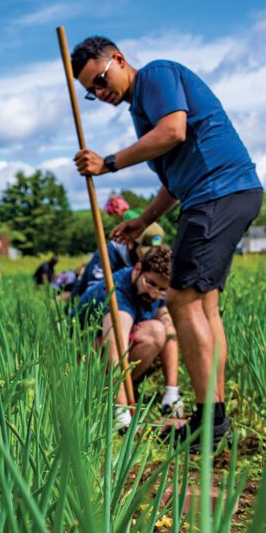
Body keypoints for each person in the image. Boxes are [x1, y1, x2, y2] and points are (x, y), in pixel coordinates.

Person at [71, 36, 262, 448]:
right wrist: (143, 220)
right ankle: (215, 418)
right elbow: (172, 184)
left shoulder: (155, 75)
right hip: (218, 193)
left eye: (101, 80)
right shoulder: (143, 114)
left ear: (119, 60)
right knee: (204, 303)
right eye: (92, 91)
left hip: (217, 191)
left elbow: (174, 132)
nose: (101, 93)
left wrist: (108, 163)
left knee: (181, 301)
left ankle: (210, 421)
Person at [75, 246, 180, 429]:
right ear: (138, 269)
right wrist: (122, 412)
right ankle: (109, 399)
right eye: (151, 284)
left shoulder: (155, 290)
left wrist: (172, 392)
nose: (154, 294)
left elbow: (170, 332)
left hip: (106, 356)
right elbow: (115, 353)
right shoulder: (118, 293)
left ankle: (119, 393)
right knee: (154, 332)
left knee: (162, 330)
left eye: (162, 289)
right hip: (80, 359)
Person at [69, 221, 165, 302]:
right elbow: (95, 294)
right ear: (130, 243)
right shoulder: (106, 254)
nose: (148, 258)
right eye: (145, 251)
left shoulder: (142, 261)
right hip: (84, 314)